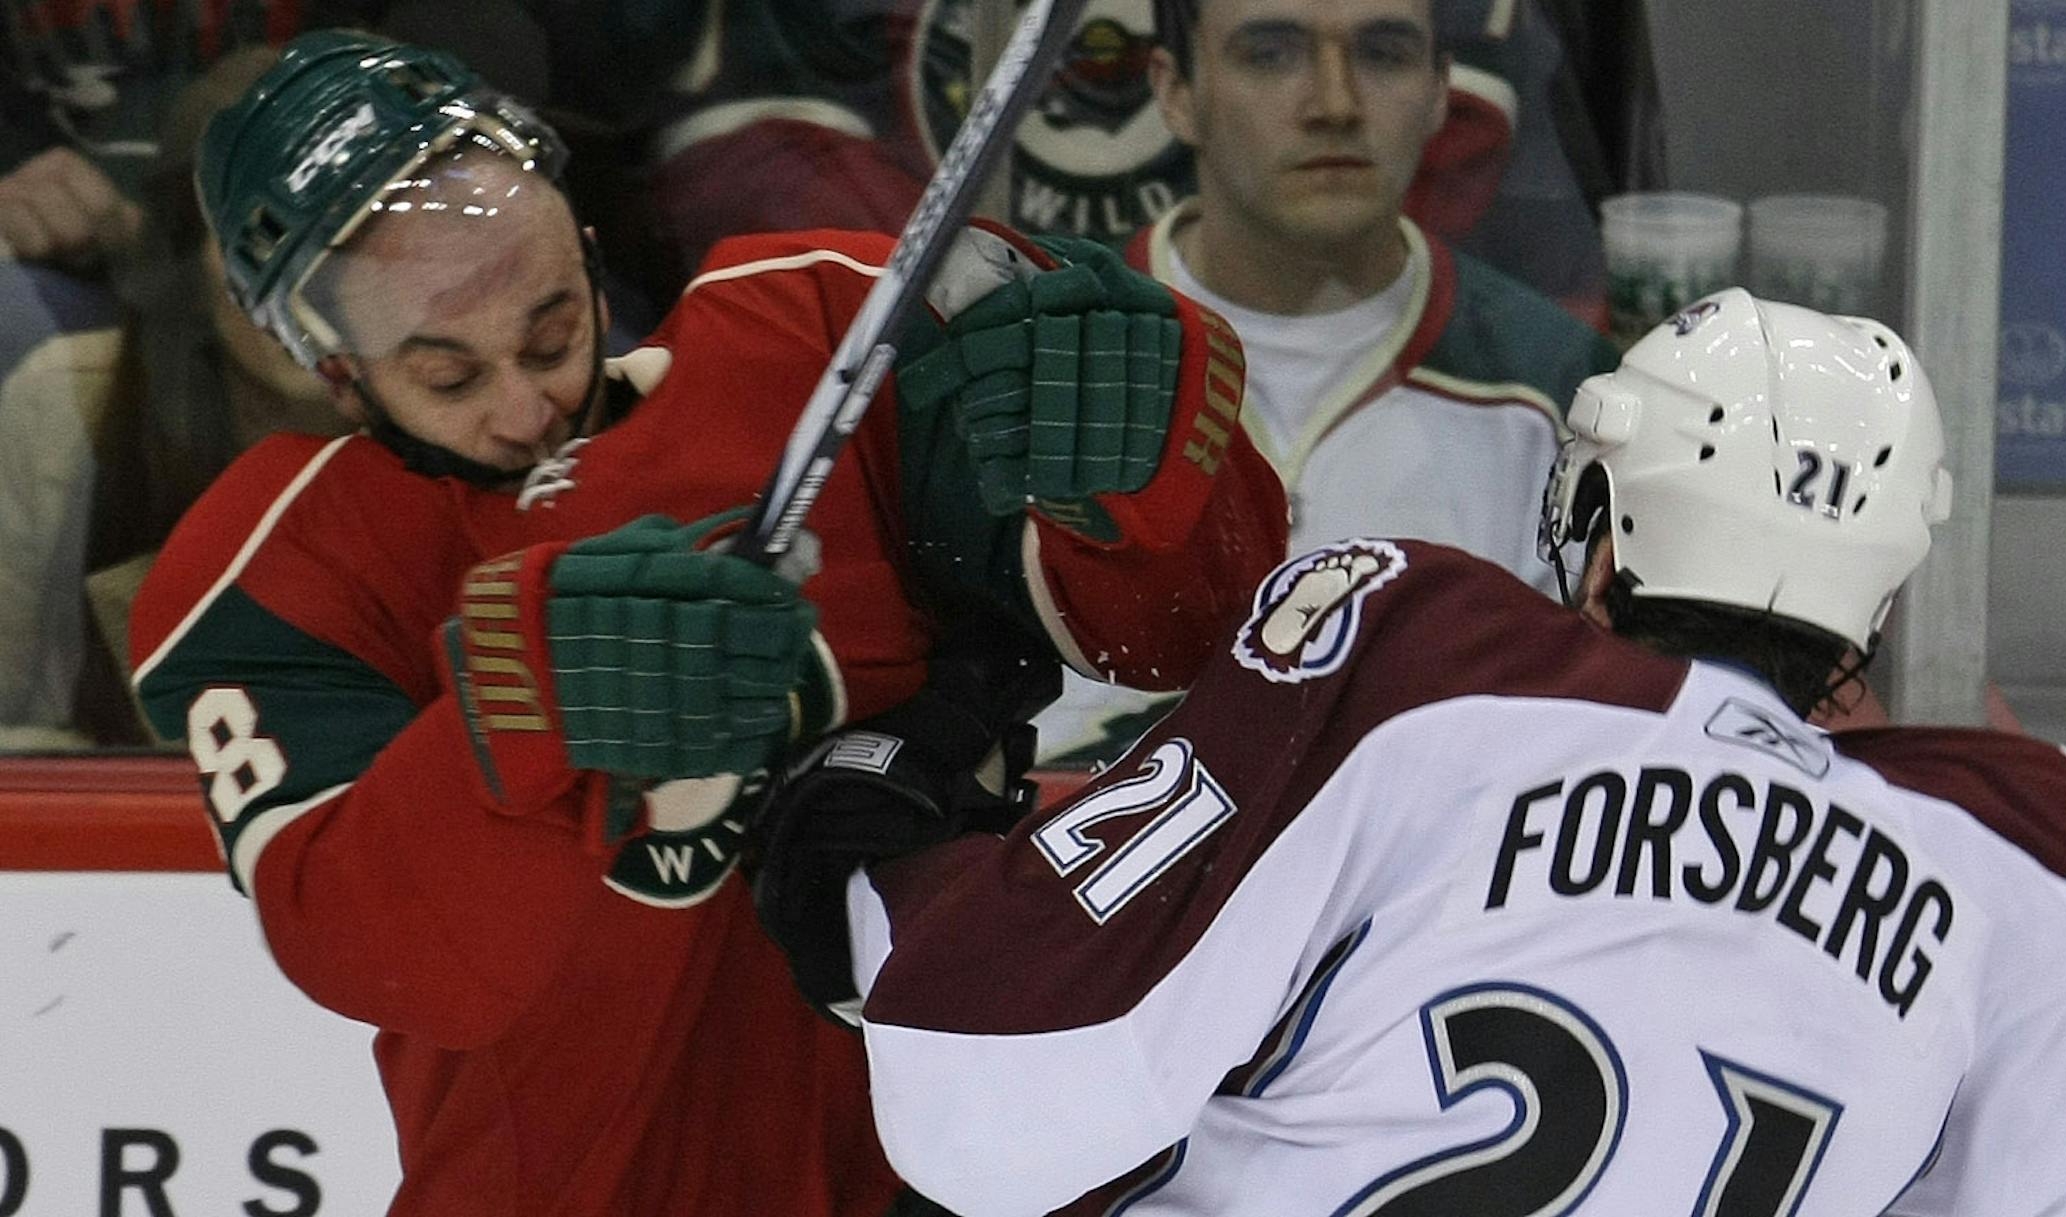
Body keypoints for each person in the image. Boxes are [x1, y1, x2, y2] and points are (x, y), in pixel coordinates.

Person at [127, 31, 1285, 1217]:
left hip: (945, 1173)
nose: (529, 403)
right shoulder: (285, 562)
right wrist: (535, 701)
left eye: (550, 332)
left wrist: (1145, 467)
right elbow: (382, 954)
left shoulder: (824, 327)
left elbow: (1181, 636)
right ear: (340, 376)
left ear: (584, 252)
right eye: (450, 378)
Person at [759, 290, 2066, 1215]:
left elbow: (986, 1081)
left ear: (1607, 530)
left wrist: (873, 855)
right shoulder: (2039, 875)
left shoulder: (1434, 657)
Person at [1031, 0, 1618, 761]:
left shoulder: (1567, 396)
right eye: (1271, 53)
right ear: (1176, 91)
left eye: (1383, 53)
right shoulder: (1031, 365)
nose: (1336, 105)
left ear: (1441, 85)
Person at [0, 45, 347, 749]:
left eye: (350, 239)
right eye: (260, 235)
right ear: (187, 262)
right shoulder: (64, 407)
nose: (301, 288)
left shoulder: (505, 430)